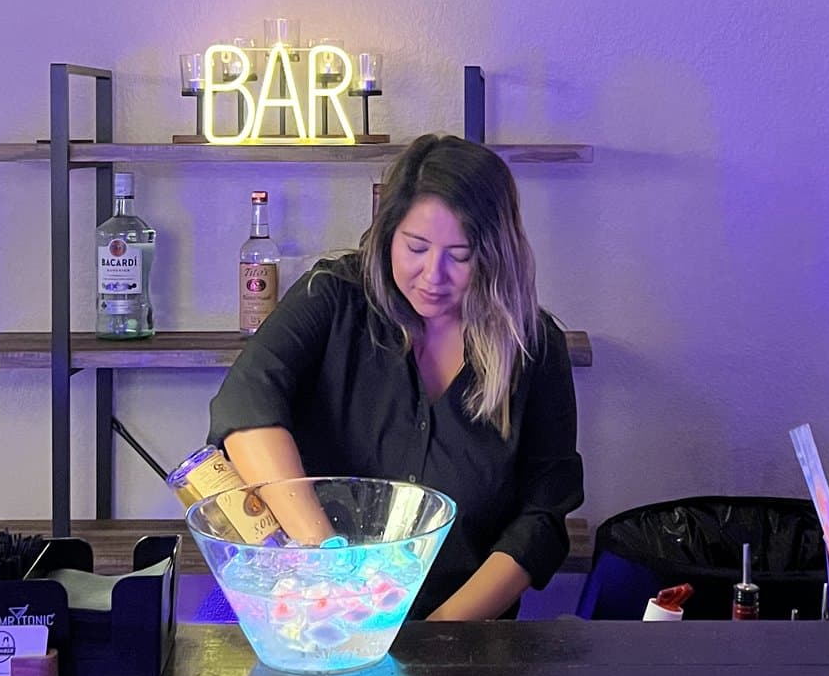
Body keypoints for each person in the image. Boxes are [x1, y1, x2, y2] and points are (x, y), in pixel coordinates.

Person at [209, 133, 583, 621]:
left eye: (461, 254)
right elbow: (245, 409)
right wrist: (331, 565)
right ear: (389, 233)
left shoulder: (534, 348)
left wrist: (441, 634)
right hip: (312, 617)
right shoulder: (333, 297)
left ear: (495, 252)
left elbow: (542, 518)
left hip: (462, 636)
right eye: (417, 247)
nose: (433, 274)